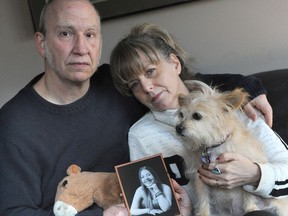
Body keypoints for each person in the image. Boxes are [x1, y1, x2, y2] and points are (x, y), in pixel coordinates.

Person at [0, 0, 275, 215]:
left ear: (99, 44)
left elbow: (180, 87)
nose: (81, 47)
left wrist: (248, 87)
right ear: (42, 43)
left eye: (90, 34)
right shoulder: (14, 125)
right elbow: (12, 211)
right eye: (65, 33)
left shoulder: (114, 84)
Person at [109, 23, 288, 215]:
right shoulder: (140, 135)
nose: (146, 87)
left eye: (150, 71)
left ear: (175, 63)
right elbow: (152, 209)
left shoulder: (232, 109)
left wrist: (254, 174)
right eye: (135, 84)